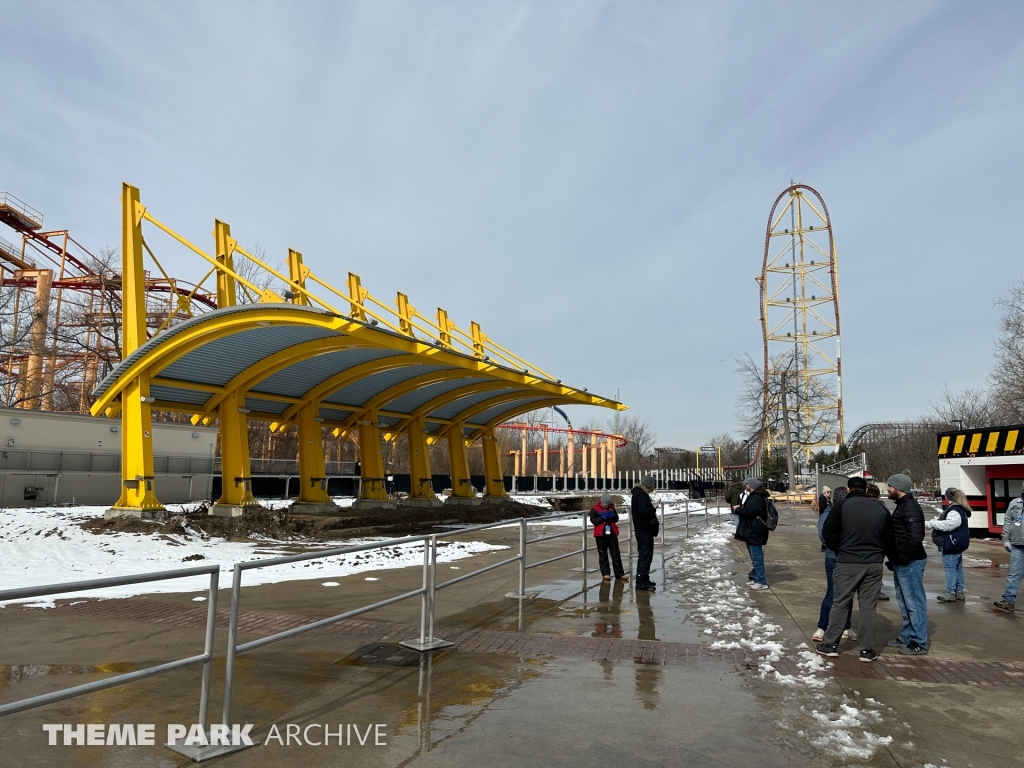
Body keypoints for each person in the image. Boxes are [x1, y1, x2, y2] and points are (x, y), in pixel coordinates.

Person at [815, 476, 893, 662]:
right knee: (868, 606)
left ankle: (831, 644)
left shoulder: (841, 507)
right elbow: (890, 537)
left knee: (840, 602)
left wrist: (840, 549)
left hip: (848, 561)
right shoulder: (880, 508)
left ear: (848, 490)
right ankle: (866, 650)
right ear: (866, 490)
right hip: (873, 562)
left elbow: (828, 533)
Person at [886, 473, 929, 655]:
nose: (887, 489)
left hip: (910, 561)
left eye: (889, 486)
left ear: (898, 488)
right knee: (904, 600)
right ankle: (907, 635)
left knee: (914, 602)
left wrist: (902, 557)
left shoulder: (909, 507)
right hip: (901, 561)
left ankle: (919, 641)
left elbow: (915, 537)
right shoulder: (903, 505)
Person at [812, 486, 853, 643]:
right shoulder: (829, 513)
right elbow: (824, 535)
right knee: (832, 592)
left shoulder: (848, 513)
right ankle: (822, 626)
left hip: (845, 556)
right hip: (834, 556)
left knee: (848, 592)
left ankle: (846, 627)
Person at [926, 487, 972, 602]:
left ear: (947, 497)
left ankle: (950, 592)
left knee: (951, 569)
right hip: (955, 543)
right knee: (957, 568)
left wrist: (932, 523)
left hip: (950, 544)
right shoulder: (959, 509)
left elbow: (948, 525)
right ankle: (958, 591)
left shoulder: (954, 510)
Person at [734, 477, 771, 590]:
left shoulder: (756, 497)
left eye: (747, 484)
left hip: (755, 530)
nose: (745, 486)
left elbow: (749, 512)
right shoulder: (757, 496)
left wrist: (737, 509)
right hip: (752, 530)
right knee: (754, 555)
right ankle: (756, 577)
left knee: (757, 556)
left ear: (751, 485)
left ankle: (761, 581)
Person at [994, 488, 1024, 612]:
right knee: (1014, 574)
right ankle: (1008, 600)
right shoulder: (1015, 504)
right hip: (1017, 544)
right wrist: (1005, 539)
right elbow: (1007, 521)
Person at [590, 492, 627, 582]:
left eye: (607, 504)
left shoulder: (612, 508)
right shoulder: (595, 509)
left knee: (615, 553)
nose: (605, 506)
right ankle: (606, 573)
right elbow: (593, 520)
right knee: (603, 554)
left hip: (611, 533)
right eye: (604, 504)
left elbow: (616, 519)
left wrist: (612, 516)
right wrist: (602, 518)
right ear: (601, 502)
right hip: (600, 534)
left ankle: (620, 573)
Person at [631, 477, 659, 591]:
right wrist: (653, 508)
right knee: (645, 556)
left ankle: (644, 579)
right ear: (649, 486)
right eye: (654, 485)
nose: (654, 487)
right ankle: (641, 582)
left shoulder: (638, 494)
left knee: (646, 556)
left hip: (642, 529)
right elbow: (644, 512)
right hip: (644, 530)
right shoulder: (641, 495)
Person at [865, 484, 891, 600]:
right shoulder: (882, 507)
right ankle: (876, 590)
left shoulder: (861, 505)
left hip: (862, 540)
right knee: (876, 569)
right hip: (878, 543)